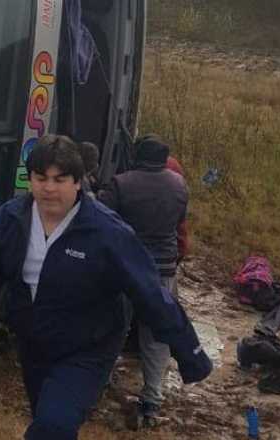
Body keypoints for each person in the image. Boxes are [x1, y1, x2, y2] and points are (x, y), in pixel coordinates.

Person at [0, 135, 212, 440]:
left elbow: (149, 292)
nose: (49, 188)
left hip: (88, 348)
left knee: (54, 425)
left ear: (77, 182)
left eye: (59, 179)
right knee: (48, 418)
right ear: (30, 180)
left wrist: (190, 353)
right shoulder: (9, 220)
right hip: (35, 343)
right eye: (41, 178)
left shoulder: (106, 231)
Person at [97, 135, 189, 428]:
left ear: (138, 156)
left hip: (126, 269)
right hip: (162, 272)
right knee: (156, 336)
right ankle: (152, 400)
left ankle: (100, 383)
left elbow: (102, 220)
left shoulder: (121, 183)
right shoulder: (179, 185)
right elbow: (179, 223)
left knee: (114, 328)